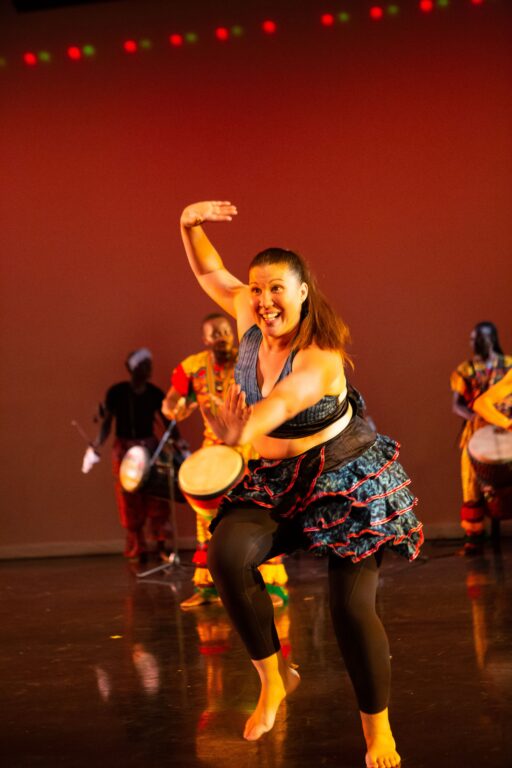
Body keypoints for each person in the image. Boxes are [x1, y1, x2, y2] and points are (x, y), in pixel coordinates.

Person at [177, 200, 423, 768]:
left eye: (277, 290)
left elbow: (284, 402)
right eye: (258, 289)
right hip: (277, 479)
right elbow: (211, 272)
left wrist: (244, 429)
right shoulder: (247, 313)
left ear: (304, 290)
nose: (263, 301)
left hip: (345, 475)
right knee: (227, 554)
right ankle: (274, 677)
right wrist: (188, 225)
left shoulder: (319, 355)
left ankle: (378, 731)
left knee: (351, 609)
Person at [162, 314, 289, 609]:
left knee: (262, 513)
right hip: (215, 451)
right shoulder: (192, 368)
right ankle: (207, 589)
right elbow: (170, 402)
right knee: (206, 520)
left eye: (224, 331)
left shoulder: (251, 361)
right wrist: (174, 407)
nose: (221, 337)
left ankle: (271, 584)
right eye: (214, 334)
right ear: (205, 339)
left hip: (253, 445)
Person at [82, 348, 186, 563]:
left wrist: (180, 445)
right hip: (124, 450)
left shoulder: (155, 393)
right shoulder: (117, 393)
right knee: (128, 498)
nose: (149, 369)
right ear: (132, 368)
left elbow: (168, 424)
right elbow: (106, 423)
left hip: (150, 447)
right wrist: (95, 446)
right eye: (144, 365)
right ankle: (138, 547)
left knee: (157, 496)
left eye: (149, 364)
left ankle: (161, 546)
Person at [450, 323, 512, 554]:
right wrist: (473, 415)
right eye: (472, 338)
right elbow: (457, 404)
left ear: (492, 339)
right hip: (479, 429)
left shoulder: (509, 366)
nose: (475, 343)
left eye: (479, 338)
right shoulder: (464, 370)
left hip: (507, 426)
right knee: (470, 478)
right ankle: (474, 536)